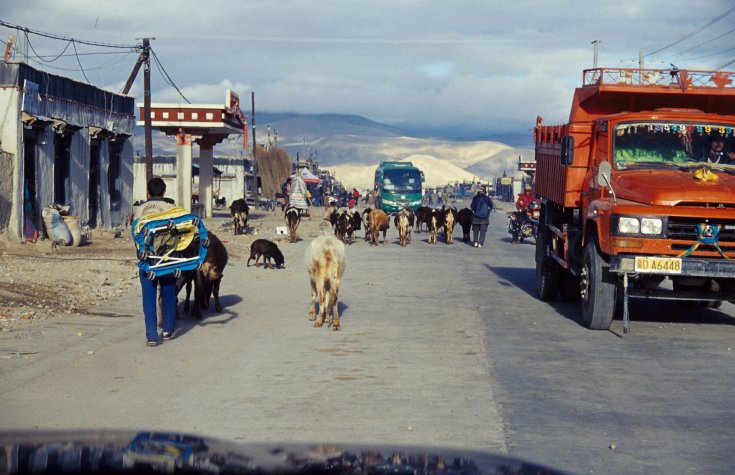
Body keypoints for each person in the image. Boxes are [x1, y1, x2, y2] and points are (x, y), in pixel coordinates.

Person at [131, 177, 177, 347]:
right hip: (167, 257)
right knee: (168, 293)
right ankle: (167, 329)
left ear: (148, 192)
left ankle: (151, 336)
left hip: (146, 259)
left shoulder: (139, 209)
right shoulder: (172, 208)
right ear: (164, 192)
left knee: (148, 297)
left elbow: (134, 233)